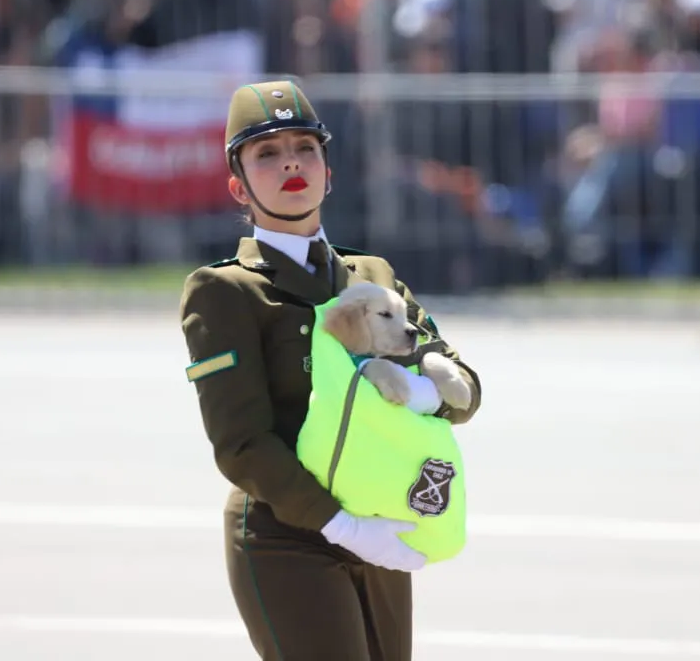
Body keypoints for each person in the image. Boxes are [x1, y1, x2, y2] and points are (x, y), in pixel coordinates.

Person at [179, 80, 483, 661]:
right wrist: (340, 526)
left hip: (383, 517)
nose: (290, 160)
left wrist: (422, 392)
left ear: (329, 171)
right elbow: (240, 444)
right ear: (237, 186)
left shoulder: (372, 274)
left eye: (305, 147)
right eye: (266, 152)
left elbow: (461, 390)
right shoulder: (224, 291)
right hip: (286, 530)